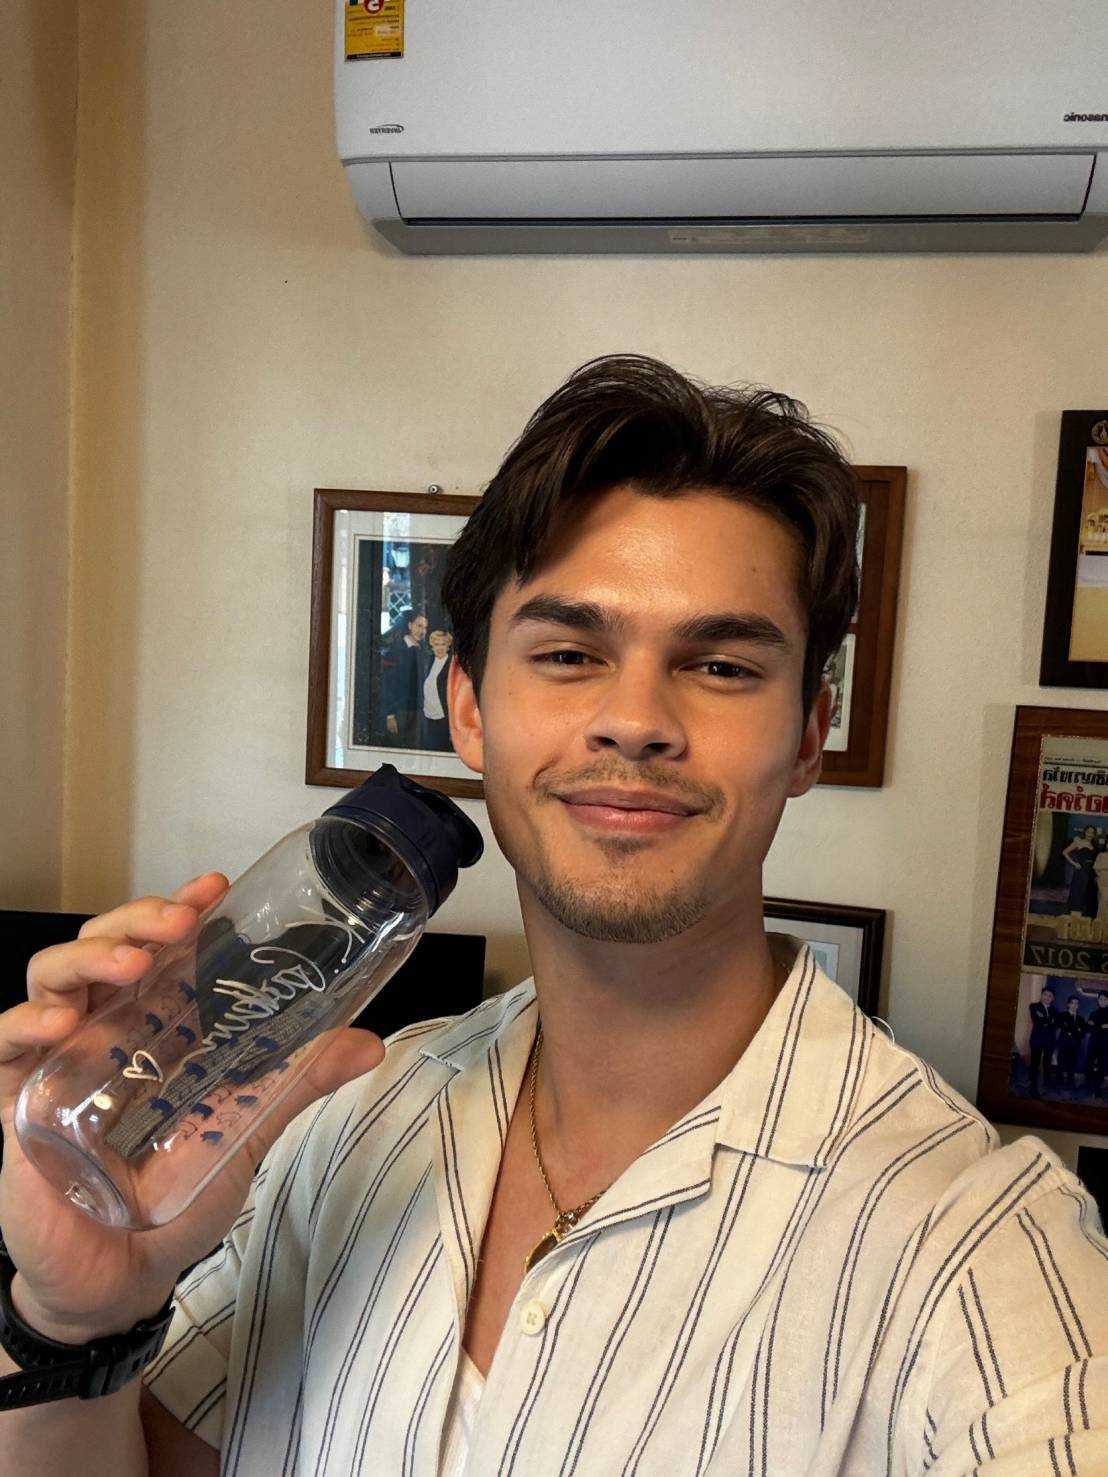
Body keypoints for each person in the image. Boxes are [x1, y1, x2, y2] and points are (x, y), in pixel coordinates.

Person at [3, 354, 1107, 1474]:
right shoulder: (336, 1128)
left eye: (722, 666)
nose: (635, 719)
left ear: (809, 736)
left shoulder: (981, 1248)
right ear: (470, 711)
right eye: (570, 654)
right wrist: (73, 1322)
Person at [379, 608, 428, 747]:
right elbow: (387, 684)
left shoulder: (423, 650)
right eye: (419, 625)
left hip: (418, 711)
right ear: (410, 625)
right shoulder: (395, 652)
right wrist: (389, 715)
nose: (422, 631)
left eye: (425, 627)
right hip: (399, 712)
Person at [419, 629, 454, 752]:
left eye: (443, 644)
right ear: (432, 646)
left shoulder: (452, 665)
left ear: (448, 646)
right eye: (436, 644)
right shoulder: (428, 662)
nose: (440, 648)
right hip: (427, 717)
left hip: (444, 720)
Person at [1062, 824, 1100, 921]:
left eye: (1092, 833)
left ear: (1094, 834)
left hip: (1091, 872)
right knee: (1078, 892)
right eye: (1088, 832)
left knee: (1088, 893)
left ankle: (1085, 918)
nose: (1090, 834)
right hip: (1081, 872)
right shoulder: (1078, 842)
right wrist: (1074, 864)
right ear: (1085, 832)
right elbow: (1065, 852)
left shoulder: (1094, 845)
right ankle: (1074, 916)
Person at [1027, 983, 1059, 1098]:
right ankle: (1032, 1087)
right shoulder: (1034, 1006)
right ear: (1041, 995)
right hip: (1037, 1040)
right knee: (1034, 1064)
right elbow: (1037, 1021)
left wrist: (1046, 1021)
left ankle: (1046, 1084)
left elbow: (1055, 1025)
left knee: (1047, 1064)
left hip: (1049, 1041)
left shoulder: (1055, 1010)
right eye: (1045, 994)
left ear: (1053, 998)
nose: (1047, 997)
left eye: (1050, 996)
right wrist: (1049, 1022)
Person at [1056, 993, 1089, 1092]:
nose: (1074, 1005)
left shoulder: (1081, 1019)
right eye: (1072, 1003)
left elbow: (1083, 1034)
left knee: (1072, 1065)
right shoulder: (1062, 1015)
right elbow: (1063, 1028)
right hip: (1064, 1044)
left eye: (1077, 1003)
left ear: (1078, 1006)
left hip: (1075, 1046)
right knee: (1061, 1064)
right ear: (1068, 1004)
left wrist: (1072, 1032)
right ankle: (1059, 1083)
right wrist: (1076, 1031)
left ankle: (1070, 1083)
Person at [1088, 990, 1108, 1096]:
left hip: (1105, 1045)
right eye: (1101, 999)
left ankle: (1098, 1089)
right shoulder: (1094, 1013)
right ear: (1098, 1000)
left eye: (1105, 999)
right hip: (1094, 1043)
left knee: (1102, 1066)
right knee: (1091, 1064)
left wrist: (1096, 1026)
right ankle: (1091, 1086)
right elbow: (1089, 1028)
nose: (1102, 1001)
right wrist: (1102, 1027)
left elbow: (1094, 1026)